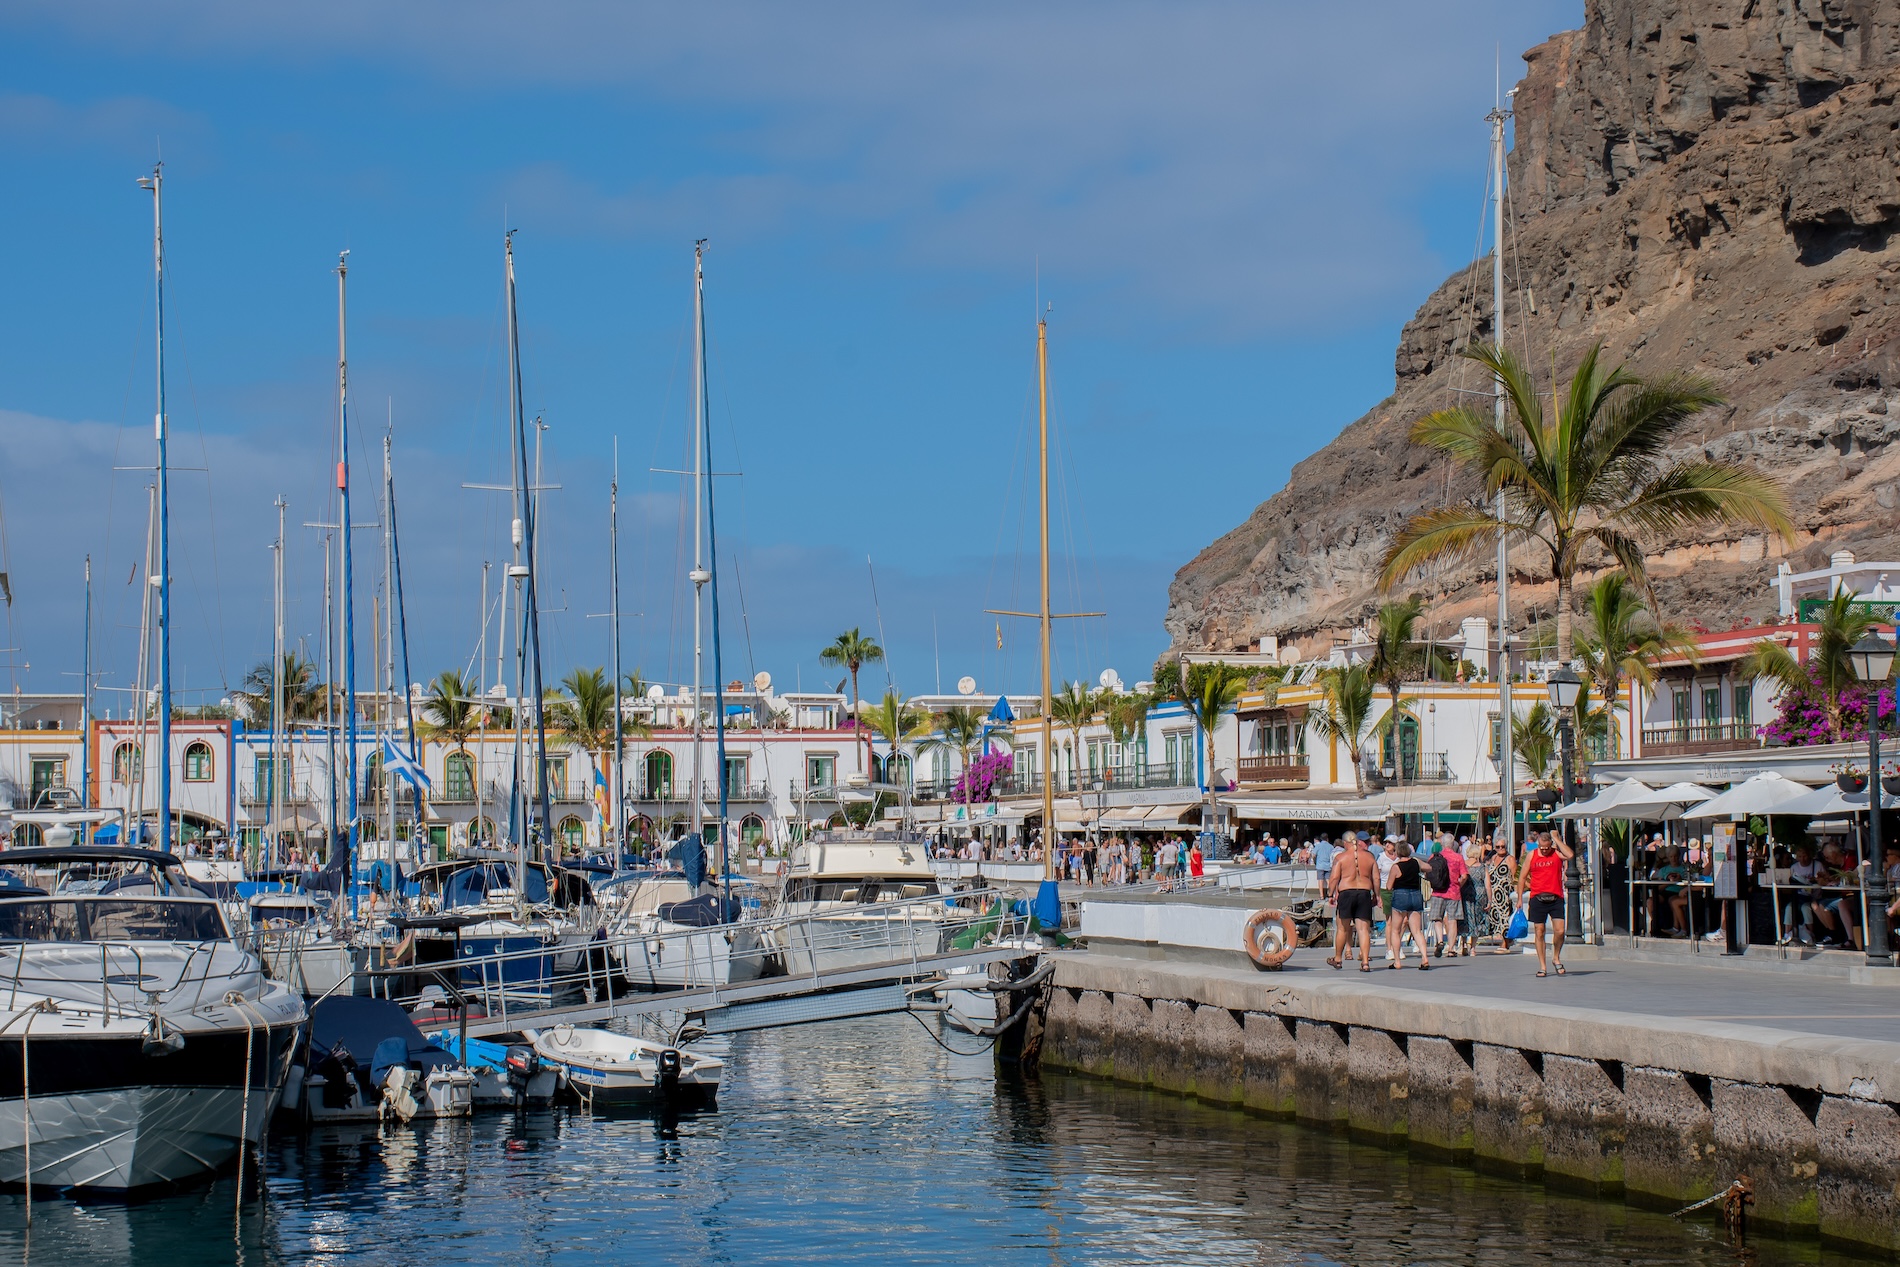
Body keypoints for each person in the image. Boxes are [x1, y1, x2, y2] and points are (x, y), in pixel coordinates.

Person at [1515, 829, 1573, 977]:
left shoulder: (1556, 853)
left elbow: (1570, 855)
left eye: (1547, 847)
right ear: (1538, 844)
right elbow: (1522, 877)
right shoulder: (1532, 855)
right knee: (1539, 931)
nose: (1545, 850)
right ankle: (1542, 965)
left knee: (1560, 931)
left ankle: (1556, 957)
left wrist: (1557, 839)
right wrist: (1520, 898)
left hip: (1556, 897)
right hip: (1538, 898)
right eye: (1542, 847)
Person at [1326, 832, 1378, 971]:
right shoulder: (1369, 857)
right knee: (1363, 929)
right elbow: (1376, 879)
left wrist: (1330, 894)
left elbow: (1334, 878)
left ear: (1344, 843)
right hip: (1364, 892)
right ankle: (1365, 962)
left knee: (1343, 928)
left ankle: (1338, 959)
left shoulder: (1341, 857)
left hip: (1346, 893)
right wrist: (1377, 895)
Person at [1384, 840, 1432, 970]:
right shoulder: (1416, 862)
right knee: (1417, 930)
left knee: (1395, 930)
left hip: (1400, 896)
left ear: (1397, 852)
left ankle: (1397, 961)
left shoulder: (1396, 866)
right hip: (1416, 895)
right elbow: (1429, 867)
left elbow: (1388, 886)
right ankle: (1425, 958)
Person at [1428, 837, 1464, 956]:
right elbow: (1464, 876)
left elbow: (1428, 872)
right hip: (1453, 892)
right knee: (1452, 919)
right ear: (1453, 844)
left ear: (1442, 844)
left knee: (1437, 918)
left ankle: (1440, 940)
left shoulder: (1434, 857)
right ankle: (1451, 949)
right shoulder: (1458, 857)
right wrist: (1459, 884)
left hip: (1438, 891)